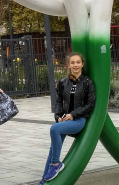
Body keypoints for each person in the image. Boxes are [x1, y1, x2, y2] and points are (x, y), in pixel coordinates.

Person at [40, 52, 95, 183]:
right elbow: (58, 102)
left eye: (78, 62)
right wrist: (58, 116)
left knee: (54, 129)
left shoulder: (87, 83)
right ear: (68, 65)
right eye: (72, 62)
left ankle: (56, 165)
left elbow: (90, 104)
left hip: (78, 120)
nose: (75, 65)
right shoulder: (63, 82)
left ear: (82, 64)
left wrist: (73, 115)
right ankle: (43, 181)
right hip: (65, 119)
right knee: (53, 149)